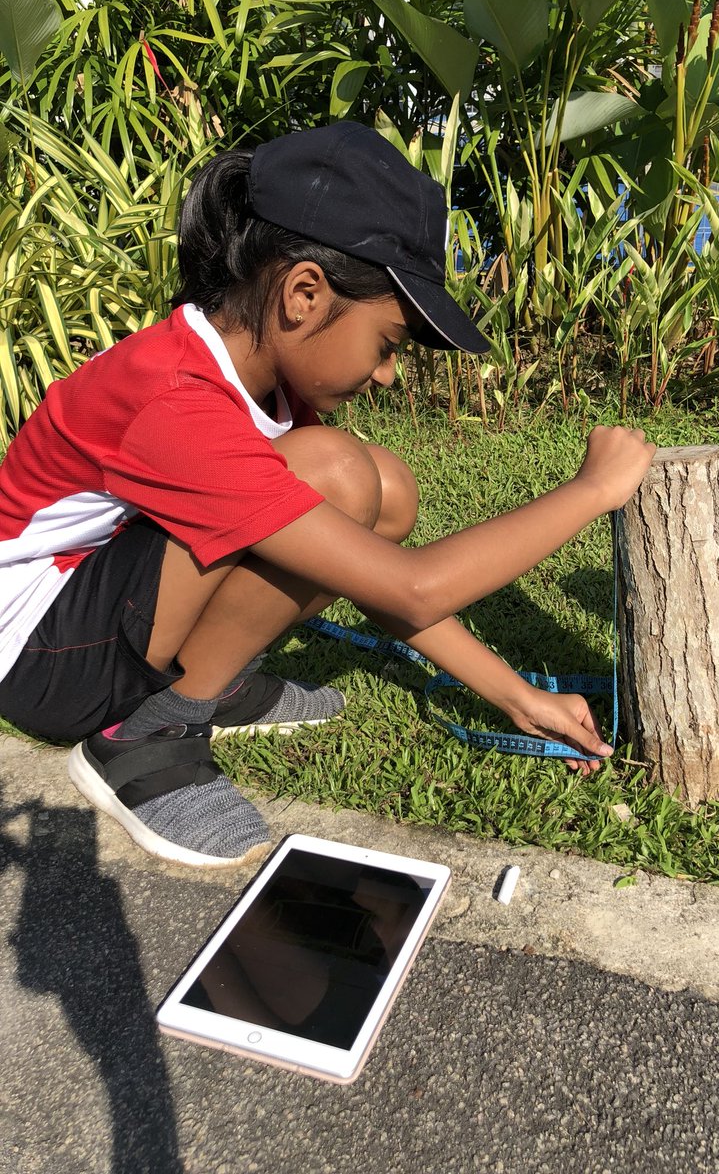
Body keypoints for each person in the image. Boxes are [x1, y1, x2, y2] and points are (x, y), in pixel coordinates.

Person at [0, 122, 655, 868]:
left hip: (102, 607)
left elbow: (372, 578)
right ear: (304, 295)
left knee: (385, 490)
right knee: (338, 475)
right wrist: (592, 490)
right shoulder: (168, 397)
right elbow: (409, 589)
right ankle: (150, 735)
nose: (385, 375)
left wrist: (516, 696)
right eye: (388, 344)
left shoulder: (263, 382)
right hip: (39, 659)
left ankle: (210, 678)